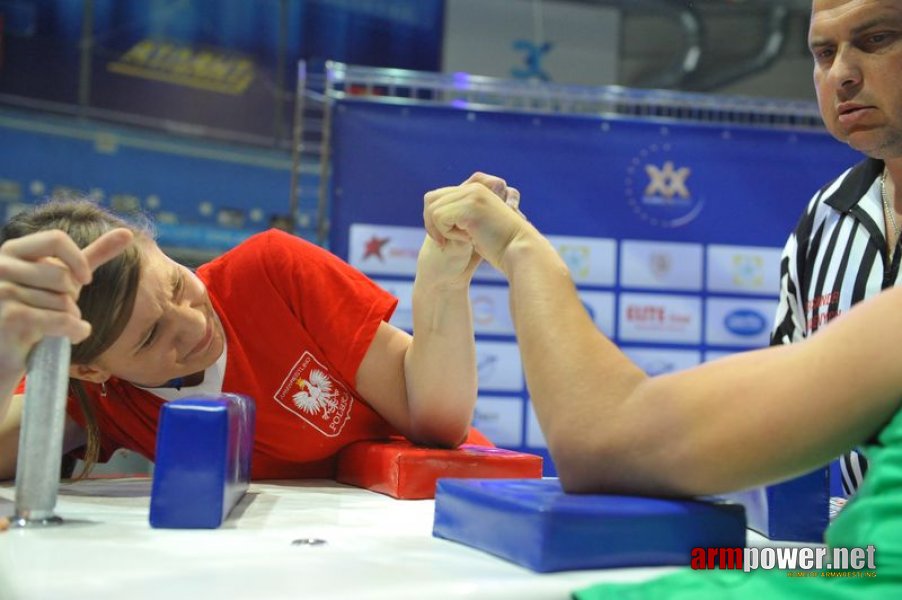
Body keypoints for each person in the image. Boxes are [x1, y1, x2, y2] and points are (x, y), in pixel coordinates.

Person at [424, 172, 901, 596]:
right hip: (846, 563)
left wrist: (517, 248)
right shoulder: (828, 215)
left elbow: (603, 436)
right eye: (820, 62)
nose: (841, 74)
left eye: (876, 60)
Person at [0, 173, 514, 480]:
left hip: (445, 510)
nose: (192, 323)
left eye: (179, 284)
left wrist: (441, 283)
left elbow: (437, 422)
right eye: (152, 336)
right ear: (92, 371)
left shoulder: (271, 271)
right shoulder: (96, 398)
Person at [771, 0, 902, 497]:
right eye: (824, 52)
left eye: (875, 40)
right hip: (866, 560)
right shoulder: (823, 218)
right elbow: (783, 413)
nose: (842, 74)